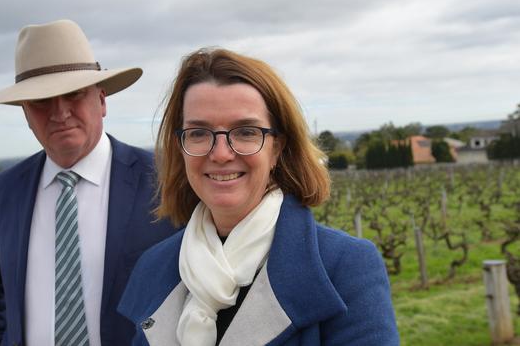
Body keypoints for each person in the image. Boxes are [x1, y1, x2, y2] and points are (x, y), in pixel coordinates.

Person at [118, 48, 399, 345]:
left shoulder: (345, 267)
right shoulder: (153, 266)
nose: (221, 154)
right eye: (199, 133)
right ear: (180, 147)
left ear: (276, 148)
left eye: (246, 132)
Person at [0, 20, 177, 346]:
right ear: (25, 113)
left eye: (74, 94)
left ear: (102, 100)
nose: (59, 112)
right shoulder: (6, 188)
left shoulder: (165, 179)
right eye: (41, 101)